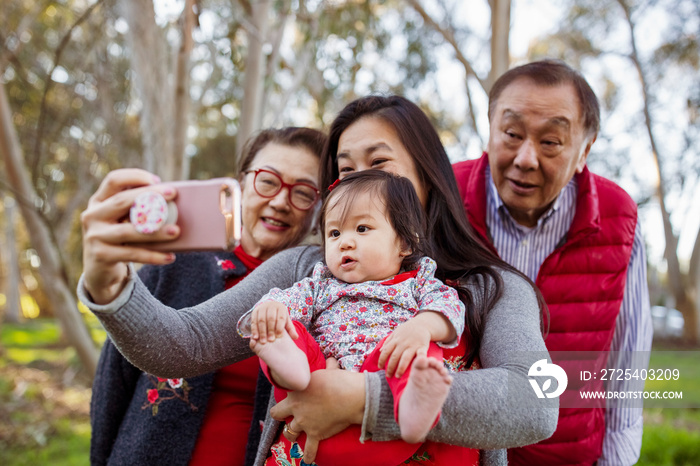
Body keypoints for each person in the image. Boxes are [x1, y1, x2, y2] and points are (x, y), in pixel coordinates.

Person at [78, 95, 558, 466]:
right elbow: (182, 345)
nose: (357, 184)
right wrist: (108, 282)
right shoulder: (307, 269)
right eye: (344, 172)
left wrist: (363, 399)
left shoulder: (488, 287)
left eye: (377, 164)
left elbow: (537, 401)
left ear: (428, 178)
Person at [452, 59, 653, 466]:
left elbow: (627, 363)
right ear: (490, 129)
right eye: (511, 134)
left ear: (584, 151)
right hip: (458, 450)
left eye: (551, 142)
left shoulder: (619, 219)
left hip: (568, 453)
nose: (526, 158)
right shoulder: (442, 199)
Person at [88, 127, 327, 466]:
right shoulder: (174, 263)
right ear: (241, 183)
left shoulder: (318, 295)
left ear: (317, 207)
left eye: (303, 192)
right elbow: (113, 382)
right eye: (268, 181)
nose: (280, 201)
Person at [246, 170, 466, 452]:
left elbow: (449, 306)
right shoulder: (320, 285)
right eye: (334, 233)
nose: (345, 242)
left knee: (418, 350)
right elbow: (285, 301)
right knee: (282, 328)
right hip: (316, 384)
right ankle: (289, 367)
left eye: (362, 229)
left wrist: (422, 326)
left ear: (404, 243)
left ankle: (413, 407)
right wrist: (272, 310)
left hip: (382, 379)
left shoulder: (418, 282)